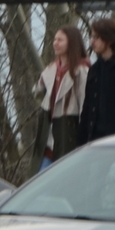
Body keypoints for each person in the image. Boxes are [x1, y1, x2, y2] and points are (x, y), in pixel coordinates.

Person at [38, 26, 88, 166]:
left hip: (68, 135)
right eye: (55, 39)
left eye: (60, 40)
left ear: (71, 43)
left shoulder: (81, 71)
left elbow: (85, 107)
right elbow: (38, 96)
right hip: (48, 139)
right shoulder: (50, 69)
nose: (55, 43)